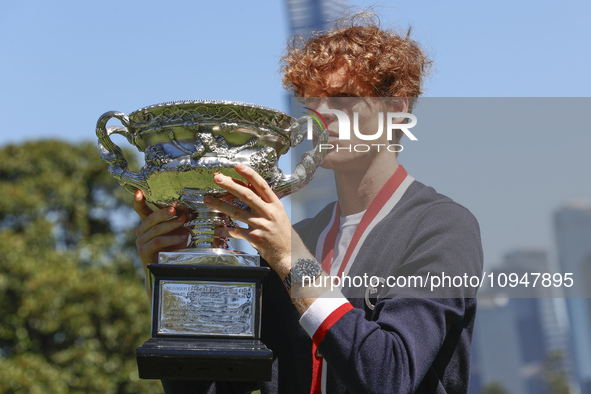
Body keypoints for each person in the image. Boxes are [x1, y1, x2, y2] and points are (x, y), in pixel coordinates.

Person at [134, 13, 483, 394]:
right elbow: (212, 387)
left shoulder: (443, 227)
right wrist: (173, 281)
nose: (323, 116)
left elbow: (390, 376)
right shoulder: (297, 237)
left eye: (344, 99)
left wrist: (291, 262)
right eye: (313, 102)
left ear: (396, 109)